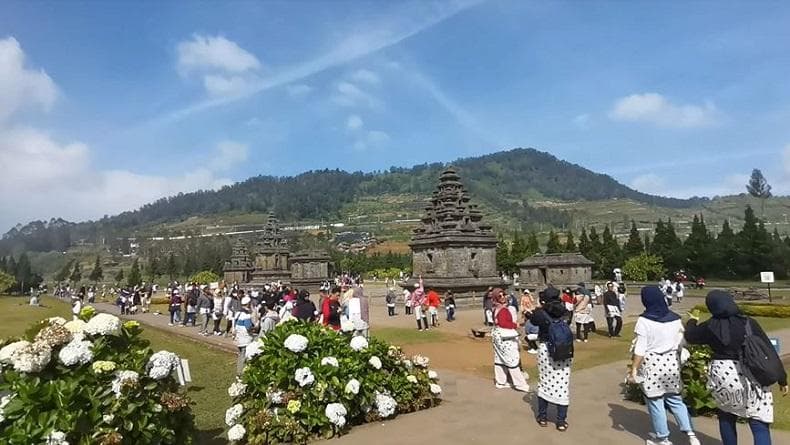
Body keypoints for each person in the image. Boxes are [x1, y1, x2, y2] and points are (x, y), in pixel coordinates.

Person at [685, 291, 788, 445]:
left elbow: (690, 336)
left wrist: (692, 321)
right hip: (752, 374)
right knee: (758, 422)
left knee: (726, 415)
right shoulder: (748, 323)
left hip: (723, 375)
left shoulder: (709, 326)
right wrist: (782, 379)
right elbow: (768, 350)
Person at [628, 286, 700, 445]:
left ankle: (663, 438)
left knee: (655, 402)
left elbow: (640, 348)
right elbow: (682, 341)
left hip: (652, 365)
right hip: (671, 363)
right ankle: (691, 434)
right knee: (675, 399)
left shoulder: (644, 321)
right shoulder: (675, 318)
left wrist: (634, 369)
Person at [527, 288, 572, 432]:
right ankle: (561, 421)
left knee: (544, 382)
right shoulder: (564, 310)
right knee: (562, 385)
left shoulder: (541, 313)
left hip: (546, 350)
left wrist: (537, 308)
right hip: (563, 350)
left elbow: (533, 321)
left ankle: (542, 417)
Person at [490, 287, 530, 393]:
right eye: (500, 296)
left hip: (498, 335)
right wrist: (515, 325)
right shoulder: (502, 309)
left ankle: (501, 381)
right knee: (512, 359)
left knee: (500, 359)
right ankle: (520, 384)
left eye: (503, 294)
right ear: (496, 298)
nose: (503, 297)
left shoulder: (497, 308)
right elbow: (503, 323)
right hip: (505, 337)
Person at [233, 296, 254, 375]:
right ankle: (241, 373)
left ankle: (239, 371)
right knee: (244, 356)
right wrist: (255, 328)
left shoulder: (238, 313)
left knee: (240, 355)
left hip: (239, 337)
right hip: (245, 339)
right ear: (248, 304)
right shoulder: (246, 315)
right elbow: (248, 328)